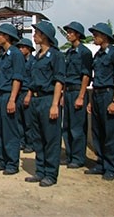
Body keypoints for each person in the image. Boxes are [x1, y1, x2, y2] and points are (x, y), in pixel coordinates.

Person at [25, 21, 65, 187]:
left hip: (48, 99)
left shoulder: (56, 55)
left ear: (45, 36)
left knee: (51, 139)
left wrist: (55, 104)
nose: (34, 35)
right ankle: (40, 171)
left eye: (37, 33)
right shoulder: (36, 57)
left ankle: (50, 174)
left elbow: (58, 81)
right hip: (35, 100)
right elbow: (32, 80)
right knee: (38, 138)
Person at [85, 23, 114, 181]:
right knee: (98, 133)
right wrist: (91, 101)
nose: (94, 37)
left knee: (110, 133)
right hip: (97, 95)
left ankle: (111, 168)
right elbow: (95, 80)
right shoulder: (98, 55)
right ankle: (101, 163)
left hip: (109, 95)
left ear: (105, 36)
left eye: (96, 34)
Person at [0, 24, 25, 175]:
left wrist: (12, 99)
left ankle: (12, 163)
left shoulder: (16, 54)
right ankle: (2, 160)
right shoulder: (3, 55)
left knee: (10, 131)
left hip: (8, 95)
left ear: (7, 36)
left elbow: (17, 78)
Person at [62, 22, 93, 169]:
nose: (68, 34)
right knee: (67, 126)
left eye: (70, 32)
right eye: (67, 32)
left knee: (77, 127)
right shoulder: (68, 53)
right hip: (68, 91)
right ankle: (69, 156)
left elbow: (86, 76)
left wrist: (81, 96)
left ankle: (78, 158)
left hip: (77, 91)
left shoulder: (84, 52)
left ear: (78, 35)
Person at [15, 38, 35, 154]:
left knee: (28, 121)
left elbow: (33, 79)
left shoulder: (33, 61)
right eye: (19, 47)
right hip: (19, 93)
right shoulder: (20, 61)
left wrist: (29, 94)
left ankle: (30, 143)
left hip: (28, 92)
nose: (20, 49)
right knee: (19, 120)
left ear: (29, 49)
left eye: (23, 47)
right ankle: (21, 142)